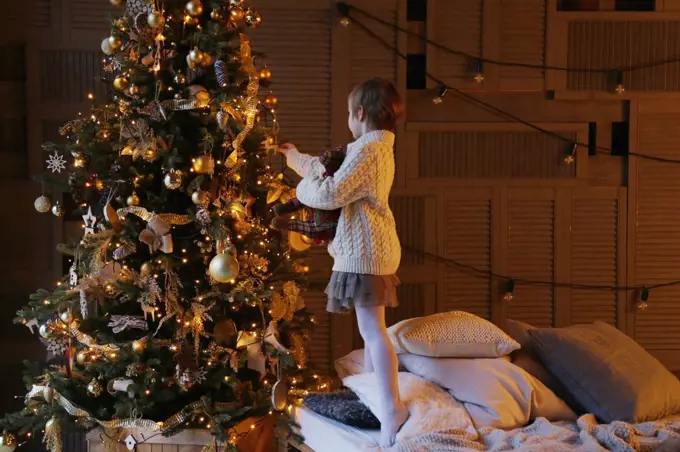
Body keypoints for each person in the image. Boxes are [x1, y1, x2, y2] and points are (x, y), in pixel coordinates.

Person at [278, 78, 407, 447]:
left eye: (349, 114)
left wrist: (298, 192)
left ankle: (389, 407)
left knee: (373, 332)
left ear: (360, 113)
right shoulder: (366, 149)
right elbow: (323, 170)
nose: (348, 120)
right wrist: (293, 157)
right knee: (372, 331)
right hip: (369, 248)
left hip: (367, 251)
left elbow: (329, 192)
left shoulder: (370, 153)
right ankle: (376, 399)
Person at [270, 143, 347, 243]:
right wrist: (291, 154)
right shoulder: (350, 155)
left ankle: (289, 222)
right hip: (319, 191)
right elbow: (313, 167)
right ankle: (289, 207)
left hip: (333, 224)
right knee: (309, 191)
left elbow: (313, 167)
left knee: (316, 228)